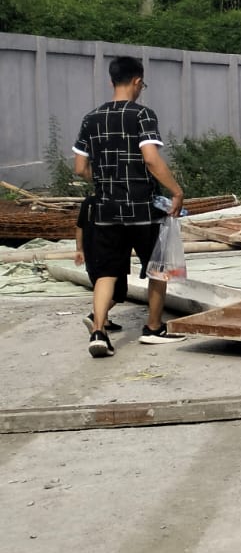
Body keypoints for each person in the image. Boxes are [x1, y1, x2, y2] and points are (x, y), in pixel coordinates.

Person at [72, 55, 186, 357]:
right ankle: (152, 328)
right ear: (137, 81)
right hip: (141, 209)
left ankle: (98, 330)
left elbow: (80, 166)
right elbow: (150, 158)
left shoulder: (90, 118)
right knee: (157, 269)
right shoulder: (142, 115)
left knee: (107, 272)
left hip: (106, 211)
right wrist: (176, 191)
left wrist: (104, 180)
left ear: (112, 81)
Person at [75, 196, 128, 332]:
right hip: (111, 251)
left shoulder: (88, 202)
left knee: (99, 285)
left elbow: (79, 226)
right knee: (118, 292)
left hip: (91, 251)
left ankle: (104, 321)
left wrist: (79, 249)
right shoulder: (117, 200)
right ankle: (95, 316)